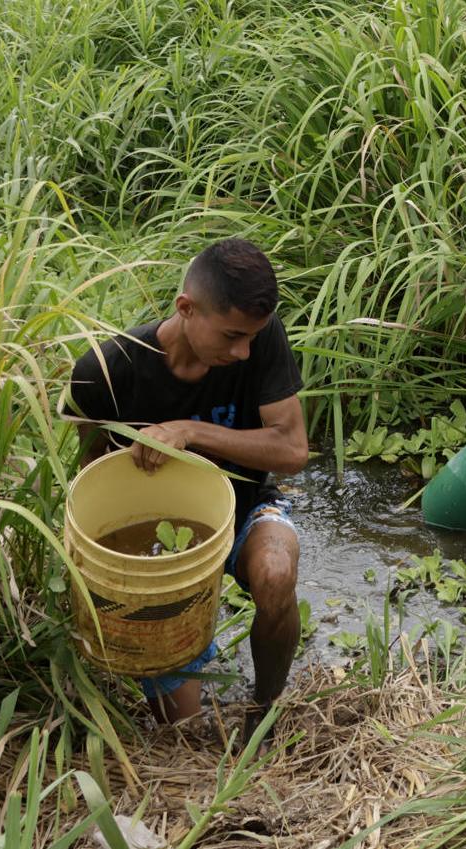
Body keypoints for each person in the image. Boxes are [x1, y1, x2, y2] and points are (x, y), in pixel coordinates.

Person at [64, 237, 306, 735]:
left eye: (251, 339)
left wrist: (190, 431)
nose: (242, 353)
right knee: (186, 733)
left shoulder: (260, 337)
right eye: (231, 336)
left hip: (241, 508)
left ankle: (266, 710)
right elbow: (85, 480)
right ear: (186, 308)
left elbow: (293, 450)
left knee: (277, 574)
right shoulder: (106, 370)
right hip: (157, 554)